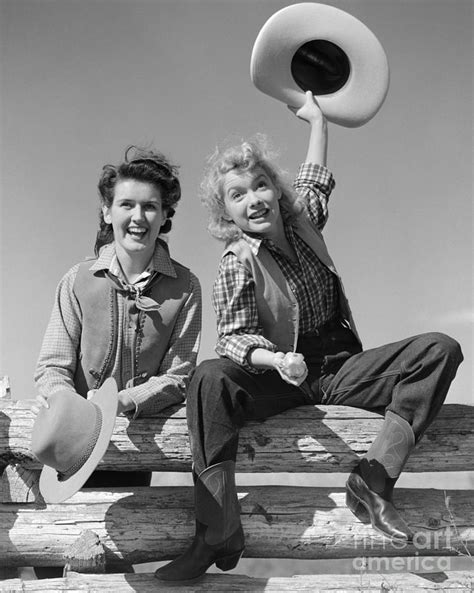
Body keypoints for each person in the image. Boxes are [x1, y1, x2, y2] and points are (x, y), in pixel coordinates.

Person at [154, 91, 463, 582]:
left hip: (340, 365)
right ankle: (216, 530)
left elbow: (314, 177)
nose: (253, 199)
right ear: (227, 214)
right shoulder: (235, 262)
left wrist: (318, 121)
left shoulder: (304, 221)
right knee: (210, 378)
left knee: (440, 349)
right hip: (281, 373)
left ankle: (373, 481)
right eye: (238, 195)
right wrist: (275, 360)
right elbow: (233, 338)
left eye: (260, 186)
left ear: (275, 191)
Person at [33, 146, 202, 576]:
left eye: (150, 206)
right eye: (126, 204)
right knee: (50, 566)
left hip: (134, 449)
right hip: (71, 446)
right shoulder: (77, 279)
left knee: (114, 565)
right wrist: (72, 412)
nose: (138, 217)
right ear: (107, 212)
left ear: (165, 217)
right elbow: (52, 365)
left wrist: (122, 401)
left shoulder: (186, 286)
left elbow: (180, 375)